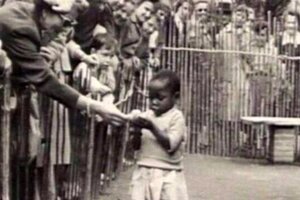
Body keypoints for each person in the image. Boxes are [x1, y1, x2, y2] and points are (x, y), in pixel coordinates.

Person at [0, 0, 127, 199]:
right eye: (65, 21)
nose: (65, 28)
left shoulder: (31, 17)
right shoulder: (19, 26)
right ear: (46, 13)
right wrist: (92, 105)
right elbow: (42, 78)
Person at [129, 70, 189, 200]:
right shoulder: (146, 116)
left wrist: (152, 127)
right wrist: (136, 131)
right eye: (151, 98)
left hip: (168, 173)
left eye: (160, 98)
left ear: (176, 97)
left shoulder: (176, 117)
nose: (154, 102)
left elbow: (171, 145)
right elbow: (136, 147)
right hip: (144, 171)